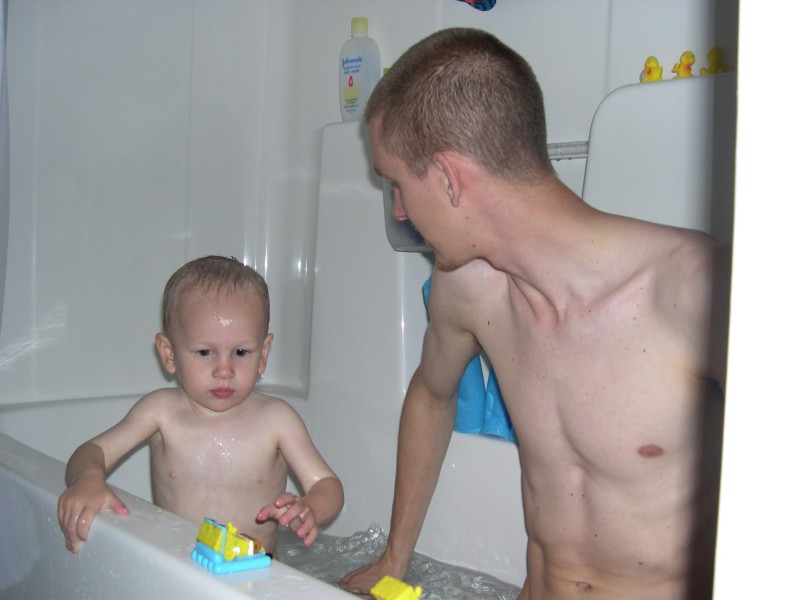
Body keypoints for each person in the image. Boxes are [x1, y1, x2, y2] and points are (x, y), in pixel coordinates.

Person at [339, 28, 728, 599]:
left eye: (397, 183)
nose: (398, 209)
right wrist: (393, 559)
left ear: (448, 178)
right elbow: (431, 394)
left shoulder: (695, 291)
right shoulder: (466, 288)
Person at [57, 255, 344, 556]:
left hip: (256, 573)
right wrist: (88, 478)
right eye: (206, 352)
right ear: (168, 354)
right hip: (176, 568)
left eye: (241, 352)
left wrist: (311, 507)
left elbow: (327, 485)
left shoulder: (277, 420)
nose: (225, 370)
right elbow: (91, 452)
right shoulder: (160, 413)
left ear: (263, 354)